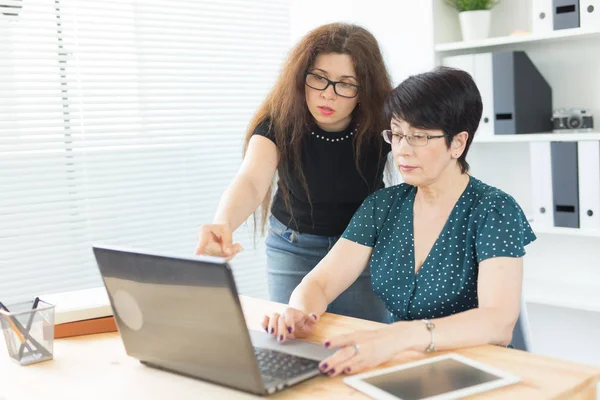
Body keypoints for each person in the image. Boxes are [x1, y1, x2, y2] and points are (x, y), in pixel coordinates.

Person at [261, 67, 536, 377]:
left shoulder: (493, 210)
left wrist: (399, 336)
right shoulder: (382, 206)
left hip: (478, 370)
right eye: (396, 133)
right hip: (406, 365)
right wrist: (299, 310)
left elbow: (498, 322)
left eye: (418, 136)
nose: (402, 149)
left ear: (458, 143)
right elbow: (321, 282)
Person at [195, 23, 393, 322]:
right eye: (319, 79)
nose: (328, 95)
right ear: (301, 78)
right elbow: (251, 180)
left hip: (360, 251)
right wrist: (223, 222)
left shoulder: (384, 124)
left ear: (364, 91)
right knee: (293, 339)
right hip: (293, 247)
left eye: (346, 84)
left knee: (363, 340)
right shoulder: (280, 119)